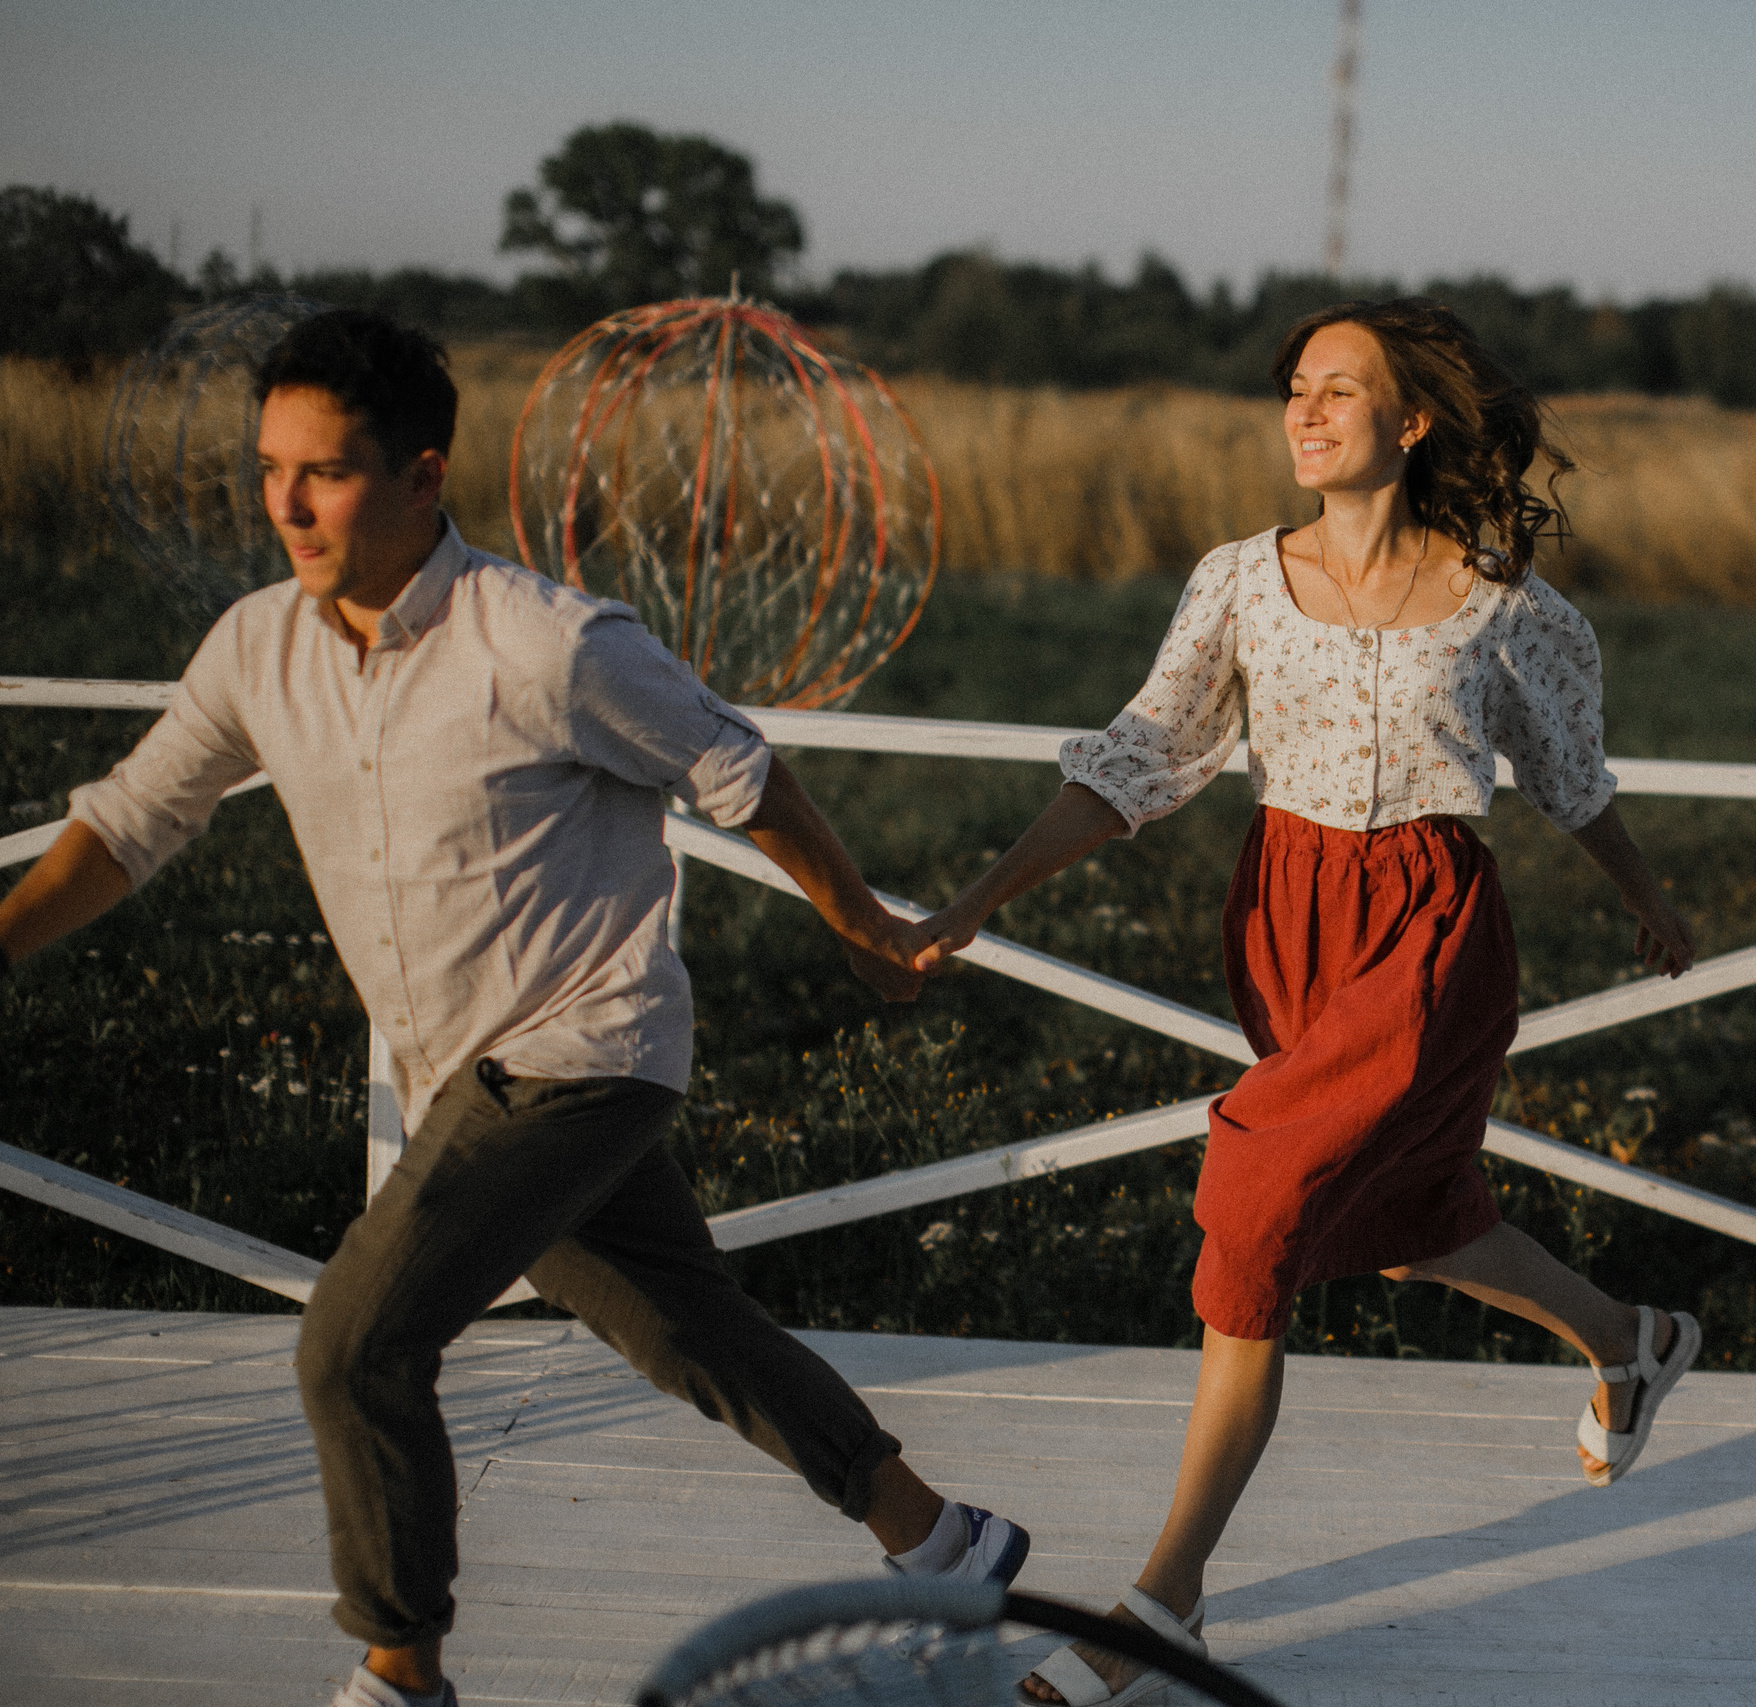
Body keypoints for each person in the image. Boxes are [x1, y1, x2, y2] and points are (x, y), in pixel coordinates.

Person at [0, 310, 1028, 1707]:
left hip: (581, 1054)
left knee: (356, 1347)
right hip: (461, 1071)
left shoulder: (548, 644)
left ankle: (400, 1673)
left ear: (425, 478)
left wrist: (860, 926)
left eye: (330, 471)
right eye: (270, 468)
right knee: (681, 1327)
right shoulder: (258, 649)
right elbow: (129, 825)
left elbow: (737, 769)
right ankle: (948, 1544)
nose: (289, 504)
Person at [916, 297, 1703, 1707]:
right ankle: (1631, 1338)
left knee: (1256, 1202)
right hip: (1290, 923)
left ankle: (1160, 1607)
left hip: (1429, 936)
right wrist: (980, 898)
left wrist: (1647, 896)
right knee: (1404, 1229)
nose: (1305, 408)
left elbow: (1572, 779)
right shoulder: (1235, 581)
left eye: (1339, 389)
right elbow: (1139, 761)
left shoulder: (1505, 607)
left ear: (1409, 423)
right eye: (1294, 387)